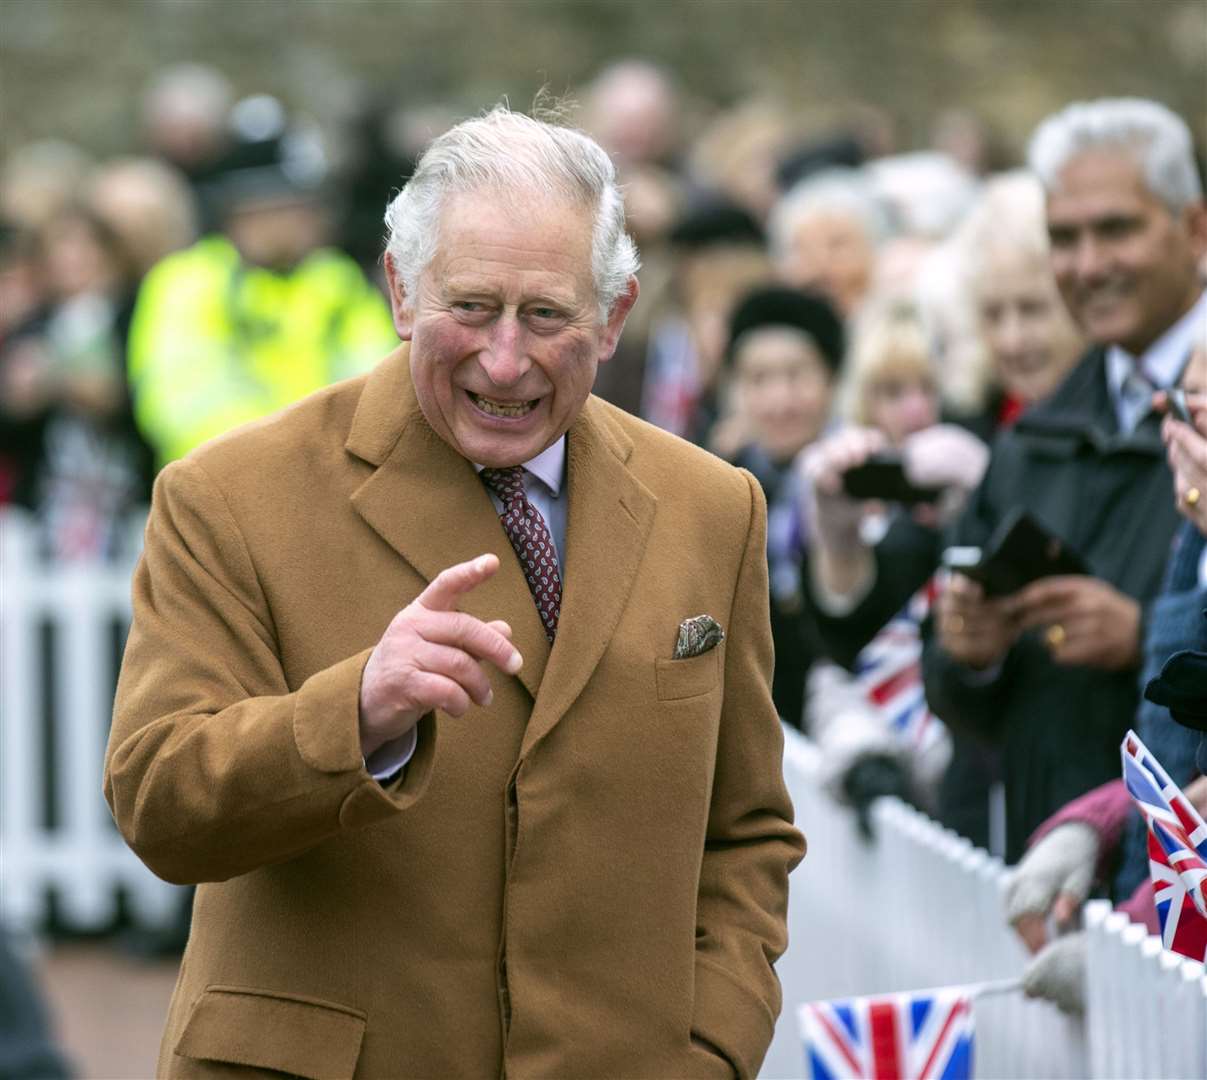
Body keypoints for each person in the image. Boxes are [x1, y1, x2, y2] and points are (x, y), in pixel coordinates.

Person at [104, 105, 804, 1079]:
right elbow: (159, 799)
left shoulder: (710, 507)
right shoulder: (229, 497)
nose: (505, 359)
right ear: (400, 289)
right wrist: (357, 713)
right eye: (469, 308)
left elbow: (747, 833)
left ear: (615, 315)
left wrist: (713, 1046)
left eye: (547, 316)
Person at [925, 97, 1207, 861]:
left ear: (1192, 228)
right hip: (1046, 871)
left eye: (1114, 229)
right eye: (1063, 238)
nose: (1086, 265)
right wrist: (970, 652)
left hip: (1179, 901)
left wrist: (1145, 641)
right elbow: (950, 690)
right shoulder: (1035, 431)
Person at [125, 95, 396, 467]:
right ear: (241, 211)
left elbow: (377, 391)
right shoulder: (187, 280)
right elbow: (182, 400)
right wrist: (289, 458)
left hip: (328, 488)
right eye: (285, 207)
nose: (306, 221)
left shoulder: (339, 280)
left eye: (306, 207)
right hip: (215, 489)